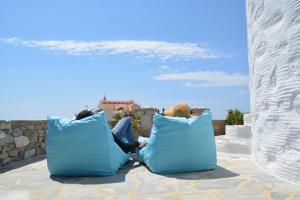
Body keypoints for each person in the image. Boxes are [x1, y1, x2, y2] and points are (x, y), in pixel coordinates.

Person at [75, 110, 140, 153]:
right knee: (126, 119)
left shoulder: (77, 135)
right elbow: (125, 148)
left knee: (125, 122)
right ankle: (133, 148)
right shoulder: (101, 131)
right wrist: (137, 143)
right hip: (114, 136)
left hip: (112, 135)